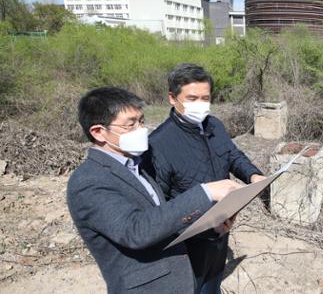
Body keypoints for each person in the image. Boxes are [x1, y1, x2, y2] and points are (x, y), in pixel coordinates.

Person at [67, 87, 241, 294]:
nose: (141, 129)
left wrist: (210, 228)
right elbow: (136, 230)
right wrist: (204, 193)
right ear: (98, 132)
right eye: (130, 124)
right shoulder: (88, 181)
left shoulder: (134, 166)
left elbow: (161, 221)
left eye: (141, 121)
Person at [143, 63, 265, 294]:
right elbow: (160, 206)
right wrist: (200, 224)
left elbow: (232, 155)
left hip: (223, 225)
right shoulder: (159, 144)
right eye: (191, 98)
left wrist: (253, 174)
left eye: (205, 98)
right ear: (172, 98)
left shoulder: (214, 125)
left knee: (213, 283)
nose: (200, 104)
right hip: (188, 242)